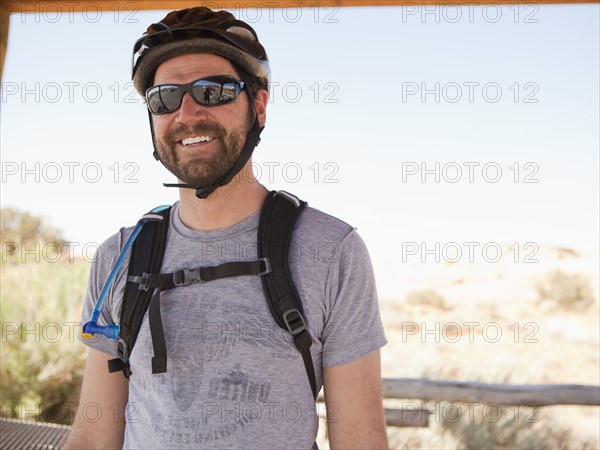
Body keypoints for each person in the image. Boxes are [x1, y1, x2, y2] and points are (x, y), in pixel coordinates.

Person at [65, 6, 388, 449]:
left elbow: (360, 437)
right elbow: (93, 436)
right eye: (164, 98)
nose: (188, 113)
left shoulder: (330, 250)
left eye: (213, 91)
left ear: (258, 105)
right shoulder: (120, 254)